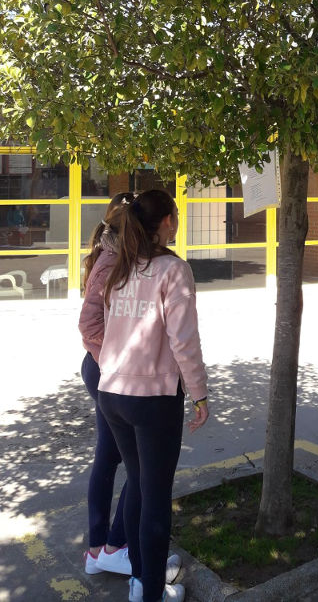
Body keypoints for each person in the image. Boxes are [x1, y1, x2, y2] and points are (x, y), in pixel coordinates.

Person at [98, 190, 209, 602]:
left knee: (138, 485)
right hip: (151, 399)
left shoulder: (123, 267)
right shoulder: (172, 270)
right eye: (175, 214)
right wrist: (199, 394)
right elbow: (184, 341)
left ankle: (139, 580)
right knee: (155, 498)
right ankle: (150, 594)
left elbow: (109, 327)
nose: (176, 220)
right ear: (166, 221)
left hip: (112, 393)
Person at [80, 192, 135, 576]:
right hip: (104, 370)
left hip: (104, 370)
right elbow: (88, 326)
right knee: (134, 461)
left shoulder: (116, 255)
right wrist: (113, 361)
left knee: (110, 455)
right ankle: (112, 546)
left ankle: (98, 550)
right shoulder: (110, 260)